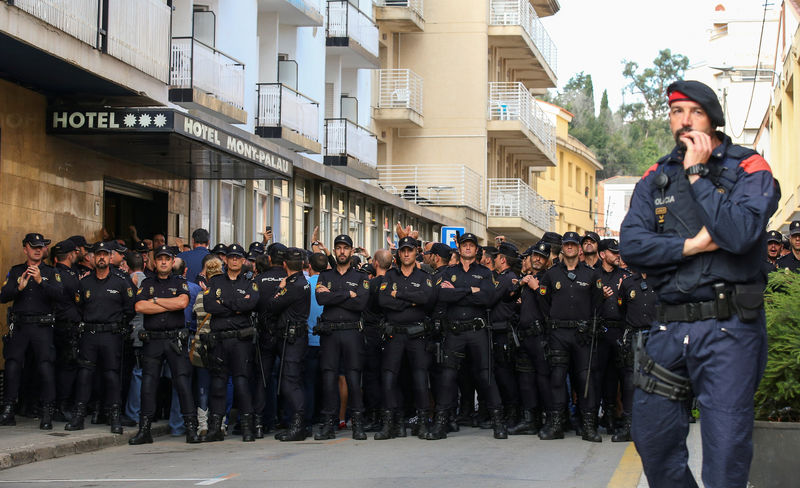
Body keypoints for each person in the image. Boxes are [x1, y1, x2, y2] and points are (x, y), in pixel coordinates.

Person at [620, 79, 780, 488]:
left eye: (695, 112)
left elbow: (740, 234)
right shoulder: (655, 176)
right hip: (667, 327)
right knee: (653, 444)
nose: (685, 121)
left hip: (729, 329)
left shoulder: (749, 168)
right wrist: (692, 246)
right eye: (677, 112)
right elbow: (633, 246)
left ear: (713, 118)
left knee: (725, 457)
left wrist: (696, 175)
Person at [427, 233, 507, 441]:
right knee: (447, 378)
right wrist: (470, 290)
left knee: (486, 376)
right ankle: (441, 424)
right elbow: (442, 295)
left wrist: (458, 292)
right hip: (454, 332)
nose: (468, 248)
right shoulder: (448, 271)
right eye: (465, 245)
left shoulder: (484, 272)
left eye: (472, 245)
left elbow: (487, 298)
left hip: (477, 331)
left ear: (477, 249)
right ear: (459, 249)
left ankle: (499, 423)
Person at [129, 246, 199, 445]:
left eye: (167, 259)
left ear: (172, 261)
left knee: (183, 384)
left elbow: (182, 303)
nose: (163, 262)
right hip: (153, 340)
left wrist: (157, 300)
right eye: (159, 258)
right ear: (154, 261)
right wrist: (169, 302)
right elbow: (140, 306)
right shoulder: (147, 282)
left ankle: (191, 429)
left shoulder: (179, 281)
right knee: (149, 385)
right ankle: (144, 430)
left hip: (174, 339)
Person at [537, 231, 604, 443]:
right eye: (566, 245)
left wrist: (590, 325)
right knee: (557, 378)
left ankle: (588, 426)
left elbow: (598, 303)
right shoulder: (551, 274)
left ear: (579, 248)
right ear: (563, 248)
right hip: (558, 333)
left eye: (573, 245)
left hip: (582, 335)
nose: (570, 248)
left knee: (585, 380)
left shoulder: (591, 274)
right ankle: (557, 424)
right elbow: (543, 302)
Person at [66, 242, 135, 433]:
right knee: (85, 375)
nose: (102, 258)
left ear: (110, 257)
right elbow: (79, 307)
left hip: (111, 335)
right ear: (93, 258)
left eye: (105, 254)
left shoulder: (120, 281)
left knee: (112, 376)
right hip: (89, 334)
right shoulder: (85, 283)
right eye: (98, 255)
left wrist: (118, 325)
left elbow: (130, 309)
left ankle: (114, 418)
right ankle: (79, 417)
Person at [0, 233, 62, 429]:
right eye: (34, 246)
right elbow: (3, 296)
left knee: (45, 367)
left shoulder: (51, 272)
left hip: (42, 327)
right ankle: (9, 408)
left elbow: (60, 295)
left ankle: (46, 412)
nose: (38, 249)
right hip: (20, 326)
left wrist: (41, 281)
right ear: (25, 248)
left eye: (41, 246)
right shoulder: (17, 270)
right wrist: (18, 288)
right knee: (12, 366)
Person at [375, 237, 433, 440]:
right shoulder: (390, 275)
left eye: (410, 250)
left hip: (417, 335)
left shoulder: (424, 275)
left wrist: (398, 294)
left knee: (419, 380)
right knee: (389, 379)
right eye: (403, 251)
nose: (406, 254)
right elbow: (383, 300)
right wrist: (410, 300)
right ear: (398, 254)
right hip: (394, 334)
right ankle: (392, 423)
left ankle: (423, 423)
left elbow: (426, 298)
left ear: (416, 252)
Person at [313, 234, 370, 440]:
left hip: (352, 332)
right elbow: (321, 298)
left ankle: (358, 424)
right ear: (334, 251)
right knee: (328, 378)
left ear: (351, 251)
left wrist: (334, 296)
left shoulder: (361, 277)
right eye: (338, 248)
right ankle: (328, 424)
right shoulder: (325, 276)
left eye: (346, 248)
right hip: (330, 333)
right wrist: (348, 294)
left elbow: (361, 304)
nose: (342, 251)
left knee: (354, 378)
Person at [202, 244, 260, 442]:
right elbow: (209, 305)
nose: (234, 260)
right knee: (218, 384)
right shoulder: (216, 281)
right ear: (225, 260)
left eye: (238, 257)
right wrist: (236, 305)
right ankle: (215, 428)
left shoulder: (249, 282)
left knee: (242, 383)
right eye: (231, 257)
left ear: (243, 261)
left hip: (240, 340)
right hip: (219, 340)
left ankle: (246, 427)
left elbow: (250, 304)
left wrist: (224, 303)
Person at [267, 247, 311, 442]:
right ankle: (302, 423)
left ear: (284, 264)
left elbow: (272, 305)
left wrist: (278, 289)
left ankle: (298, 425)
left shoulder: (292, 285)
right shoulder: (302, 282)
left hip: (292, 339)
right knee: (296, 382)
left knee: (289, 383)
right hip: (296, 337)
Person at [508, 241, 551, 435]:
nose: (537, 259)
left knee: (544, 381)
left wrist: (536, 288)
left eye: (542, 257)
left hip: (540, 335)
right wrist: (521, 286)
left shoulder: (549, 278)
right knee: (526, 381)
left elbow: (550, 307)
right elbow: (509, 299)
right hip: (524, 335)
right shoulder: (525, 279)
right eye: (535, 256)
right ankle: (529, 420)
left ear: (547, 260)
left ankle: (549, 419)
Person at [615, 269, 658, 442]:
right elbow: (621, 310)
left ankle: (655, 428)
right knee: (630, 382)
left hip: (657, 336)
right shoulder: (627, 283)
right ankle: (629, 426)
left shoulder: (662, 280)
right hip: (634, 335)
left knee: (657, 382)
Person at [594, 238, 630, 434]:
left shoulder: (625, 276)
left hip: (620, 331)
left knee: (621, 376)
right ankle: (605, 415)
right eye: (613, 252)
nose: (617, 256)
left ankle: (621, 417)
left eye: (618, 252)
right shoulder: (593, 275)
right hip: (600, 331)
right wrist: (601, 296)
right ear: (602, 254)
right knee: (600, 376)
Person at [488, 242, 522, 429]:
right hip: (495, 330)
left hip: (503, 332)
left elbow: (490, 298)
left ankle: (512, 413)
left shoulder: (508, 278)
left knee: (505, 375)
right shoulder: (501, 277)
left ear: (502, 259)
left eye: (496, 257)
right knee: (499, 374)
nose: (493, 260)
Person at [50, 240, 83, 423]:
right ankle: (62, 405)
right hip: (69, 326)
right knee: (68, 368)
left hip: (57, 325)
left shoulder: (53, 273)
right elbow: (79, 300)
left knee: (59, 366)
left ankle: (56, 405)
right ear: (70, 255)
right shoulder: (71, 276)